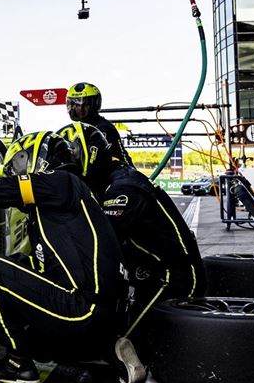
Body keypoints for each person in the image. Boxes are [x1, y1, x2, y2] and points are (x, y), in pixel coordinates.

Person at [0, 131, 140, 383]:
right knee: (18, 264)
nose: (14, 171)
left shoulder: (61, 181)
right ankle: (103, 351)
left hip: (83, 311)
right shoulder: (74, 197)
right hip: (103, 316)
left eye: (18, 163)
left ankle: (18, 364)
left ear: (39, 159)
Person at [57, 122, 204, 348]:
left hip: (173, 277)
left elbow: (100, 246)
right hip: (149, 274)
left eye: (70, 155)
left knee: (119, 346)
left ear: (89, 153)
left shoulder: (122, 188)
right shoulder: (109, 181)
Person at [67, 82, 132, 166]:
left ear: (95, 104)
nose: (79, 109)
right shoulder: (73, 129)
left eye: (85, 104)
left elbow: (95, 162)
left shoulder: (104, 128)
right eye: (74, 104)